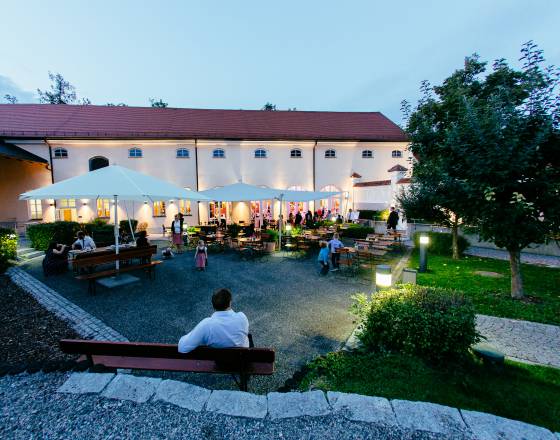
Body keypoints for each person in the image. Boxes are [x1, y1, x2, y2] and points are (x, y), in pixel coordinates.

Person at [178, 288, 249, 353]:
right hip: (242, 361)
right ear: (230, 302)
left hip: (219, 364)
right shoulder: (242, 317)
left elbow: (182, 347)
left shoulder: (206, 325)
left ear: (213, 305)